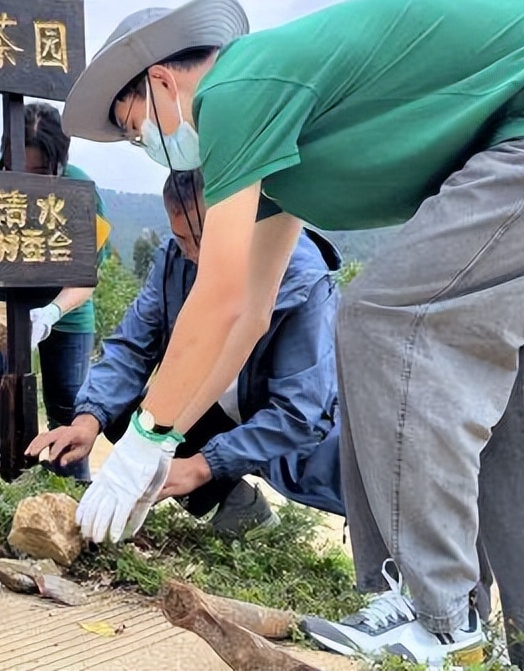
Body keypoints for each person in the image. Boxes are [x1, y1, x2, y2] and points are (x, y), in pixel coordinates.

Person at [60, 0, 524, 665]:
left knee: (384, 324)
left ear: (162, 80)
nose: (141, 140)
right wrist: (161, 448)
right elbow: (248, 317)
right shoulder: (271, 150)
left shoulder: (235, 87)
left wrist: (140, 438)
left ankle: (433, 613)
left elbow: (216, 295)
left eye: (133, 122)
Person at [27, 168, 344, 536]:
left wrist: (199, 465)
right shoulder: (175, 258)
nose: (194, 255)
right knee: (132, 416)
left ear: (242, 217)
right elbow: (133, 346)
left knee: (373, 496)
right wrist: (87, 420)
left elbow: (299, 413)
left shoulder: (303, 281)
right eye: (182, 240)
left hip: (279, 426)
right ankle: (242, 512)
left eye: (204, 239)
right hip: (213, 410)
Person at [0, 101, 108, 479]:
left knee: (68, 402)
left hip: (65, 315)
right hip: (2, 310)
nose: (26, 179)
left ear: (59, 163)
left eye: (38, 171)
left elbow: (85, 276)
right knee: (0, 388)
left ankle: (71, 486)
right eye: (17, 167)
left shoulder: (79, 189)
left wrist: (52, 313)